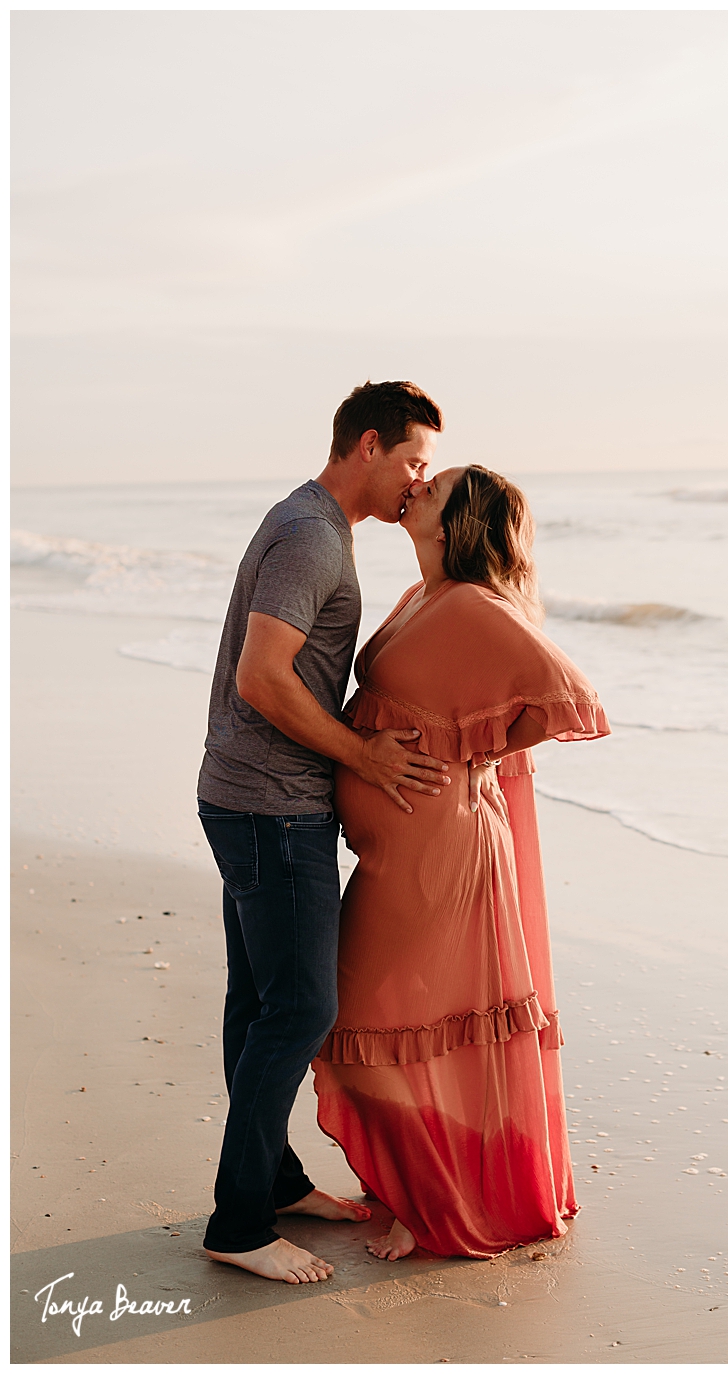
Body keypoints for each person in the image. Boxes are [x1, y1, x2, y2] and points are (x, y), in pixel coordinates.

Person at [311, 464, 608, 1261]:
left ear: (458, 524)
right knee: (372, 1018)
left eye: (434, 489)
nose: (416, 490)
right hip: (397, 846)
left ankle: (429, 1204)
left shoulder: (474, 604)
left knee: (379, 1017)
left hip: (437, 849)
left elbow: (566, 696)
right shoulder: (422, 596)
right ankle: (414, 1187)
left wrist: (473, 755)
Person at [197, 380, 454, 1284]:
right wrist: (365, 754)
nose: (418, 484)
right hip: (269, 805)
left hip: (249, 796)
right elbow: (262, 679)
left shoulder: (314, 524)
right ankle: (237, 1224)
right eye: (414, 461)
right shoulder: (311, 535)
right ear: (370, 445)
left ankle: (271, 1184)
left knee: (260, 1007)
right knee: (301, 1009)